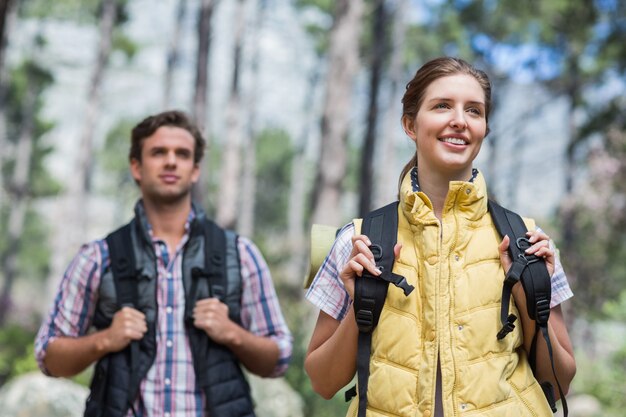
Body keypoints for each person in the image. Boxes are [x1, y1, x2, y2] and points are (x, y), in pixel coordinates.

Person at [304, 57, 576, 417]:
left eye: (474, 111)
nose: (459, 121)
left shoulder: (527, 239)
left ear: (484, 129)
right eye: (442, 106)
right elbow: (323, 383)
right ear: (410, 124)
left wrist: (528, 293)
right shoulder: (359, 242)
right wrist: (362, 306)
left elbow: (559, 382)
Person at [35, 110, 293, 417]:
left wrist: (232, 333)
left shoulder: (240, 254)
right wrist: (105, 339)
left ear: (195, 169)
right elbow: (49, 357)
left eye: (182, 154)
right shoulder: (97, 257)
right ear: (136, 166)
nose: (171, 161)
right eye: (158, 152)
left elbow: (278, 359)